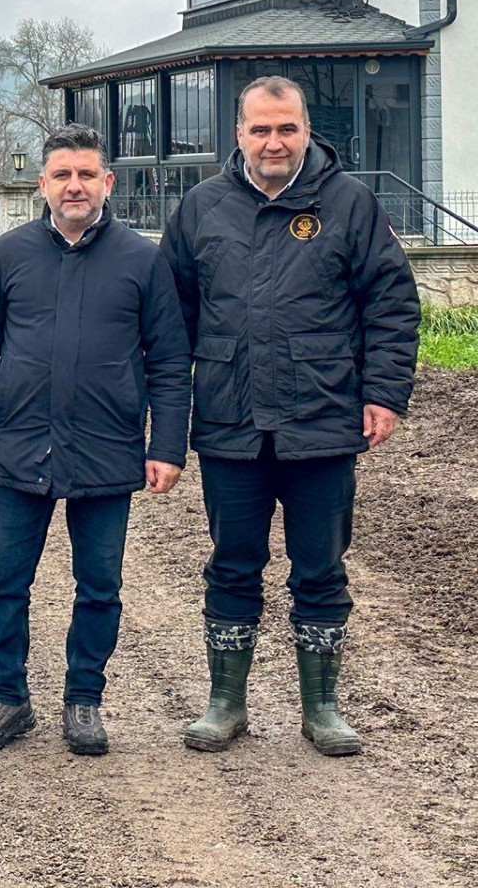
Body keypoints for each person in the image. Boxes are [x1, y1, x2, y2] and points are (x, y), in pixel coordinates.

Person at [162, 75, 420, 757]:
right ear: (238, 133)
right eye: (260, 129)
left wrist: (384, 393)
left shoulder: (351, 205)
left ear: (307, 129)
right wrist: (165, 418)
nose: (273, 142)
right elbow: (170, 323)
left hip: (323, 421)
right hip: (229, 424)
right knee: (232, 563)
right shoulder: (201, 208)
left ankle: (322, 706)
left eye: (286, 128)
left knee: (321, 567)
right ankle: (225, 702)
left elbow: (390, 307)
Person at [0, 122, 192, 756]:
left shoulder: (143, 260)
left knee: (100, 586)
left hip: (108, 449)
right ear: (43, 184)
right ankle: (7, 699)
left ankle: (84, 700)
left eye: (87, 174)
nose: (75, 185)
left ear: (107, 182)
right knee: (3, 581)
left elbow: (169, 360)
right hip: (20, 445)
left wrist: (167, 445)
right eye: (63, 174)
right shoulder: (9, 253)